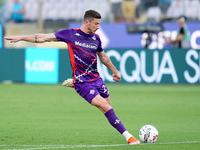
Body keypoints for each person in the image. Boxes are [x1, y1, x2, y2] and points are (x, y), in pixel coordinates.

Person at [4, 10, 140, 145]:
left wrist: (115, 71)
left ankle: (74, 83)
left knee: (108, 107)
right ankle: (130, 138)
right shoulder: (70, 34)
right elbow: (42, 38)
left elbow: (103, 57)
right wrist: (21, 37)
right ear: (87, 22)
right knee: (105, 106)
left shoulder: (96, 39)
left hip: (96, 79)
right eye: (96, 24)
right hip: (83, 82)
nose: (98, 27)